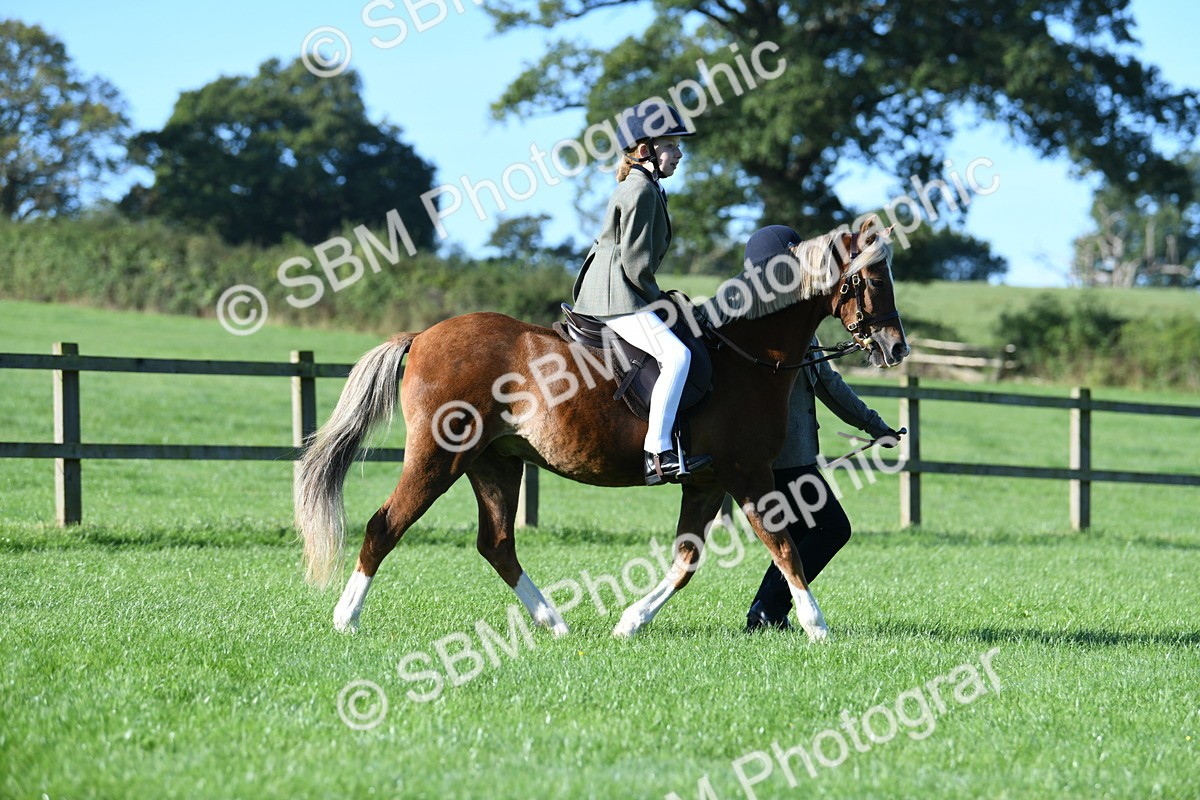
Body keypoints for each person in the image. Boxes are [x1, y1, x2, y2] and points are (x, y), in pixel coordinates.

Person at [739, 225, 902, 631]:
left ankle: (766, 613)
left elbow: (829, 384)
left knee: (809, 534)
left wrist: (874, 425)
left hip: (794, 455)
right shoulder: (757, 328)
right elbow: (829, 385)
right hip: (779, 457)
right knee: (830, 528)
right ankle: (767, 612)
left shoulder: (797, 327)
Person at [571, 99, 712, 486]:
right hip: (617, 297)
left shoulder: (646, 186)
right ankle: (658, 453)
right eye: (671, 145)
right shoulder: (640, 191)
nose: (680, 153)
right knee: (677, 356)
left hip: (621, 291)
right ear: (647, 150)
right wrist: (663, 300)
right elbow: (636, 265)